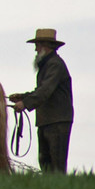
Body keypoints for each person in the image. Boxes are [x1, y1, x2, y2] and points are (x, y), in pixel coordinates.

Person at [9, 28, 72, 173]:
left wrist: (25, 104)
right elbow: (42, 90)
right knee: (45, 163)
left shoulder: (55, 64)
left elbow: (45, 91)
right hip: (47, 120)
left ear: (46, 46)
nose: (36, 50)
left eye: (37, 45)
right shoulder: (49, 65)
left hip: (57, 121)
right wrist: (22, 97)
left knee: (56, 165)